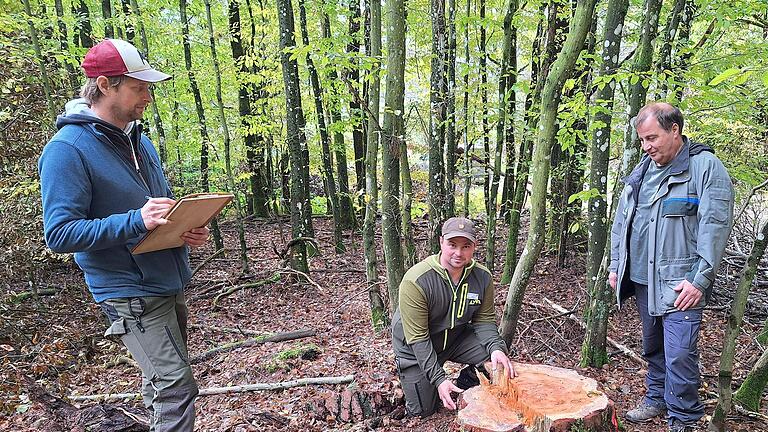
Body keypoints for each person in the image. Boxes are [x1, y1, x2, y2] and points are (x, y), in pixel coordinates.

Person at [38, 39, 209, 431]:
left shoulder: (139, 140)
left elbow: (156, 210)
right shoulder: (67, 150)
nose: (148, 96)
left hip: (166, 279)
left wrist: (184, 228)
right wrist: (136, 221)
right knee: (176, 388)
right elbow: (60, 234)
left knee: (160, 383)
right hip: (128, 291)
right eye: (139, 86)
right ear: (104, 85)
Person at [609, 103, 734, 432]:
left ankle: (684, 417)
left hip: (681, 283)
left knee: (680, 352)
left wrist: (699, 280)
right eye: (641, 140)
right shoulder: (643, 170)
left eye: (652, 138)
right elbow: (622, 222)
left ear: (675, 130)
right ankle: (657, 398)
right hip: (641, 279)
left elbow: (715, 228)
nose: (646, 146)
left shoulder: (705, 167)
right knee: (653, 345)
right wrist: (616, 265)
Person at [391, 217, 516, 417]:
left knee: (496, 357)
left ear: (474, 246)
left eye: (466, 246)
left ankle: (467, 382)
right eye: (452, 245)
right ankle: (423, 381)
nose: (459, 253)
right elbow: (418, 338)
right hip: (415, 350)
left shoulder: (482, 277)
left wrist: (496, 348)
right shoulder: (417, 280)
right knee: (423, 411)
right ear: (441, 242)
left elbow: (484, 321)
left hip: (456, 338)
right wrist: (439, 379)